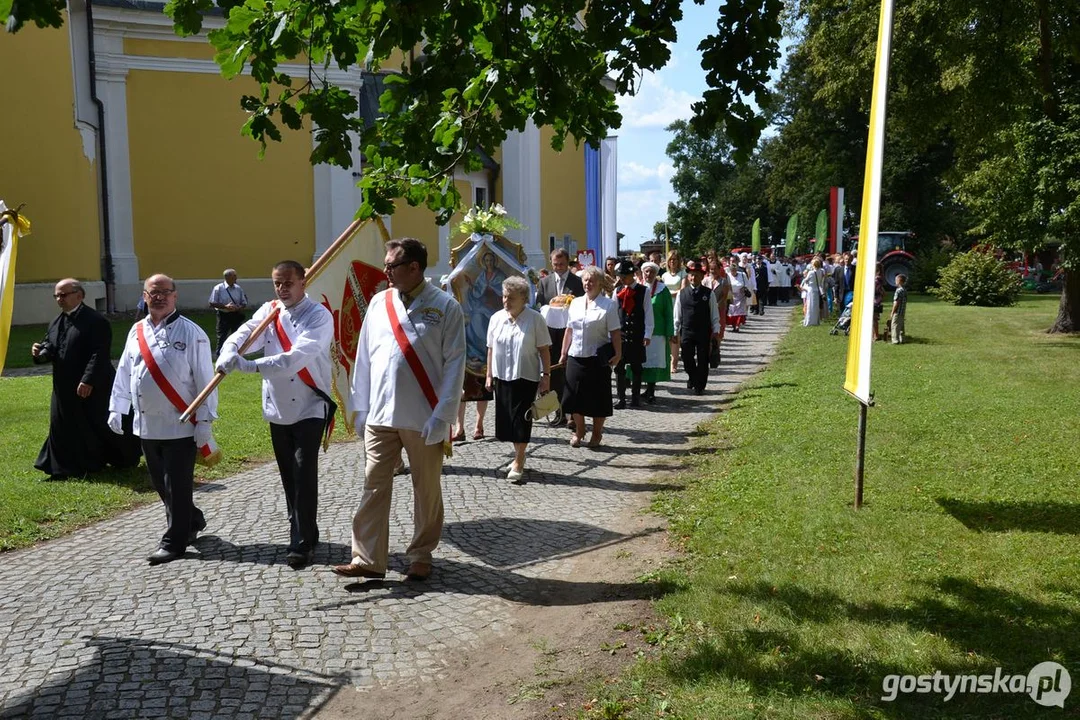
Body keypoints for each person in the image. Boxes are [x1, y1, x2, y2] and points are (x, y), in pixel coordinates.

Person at [334, 238, 466, 583]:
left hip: (424, 416)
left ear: (414, 267)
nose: (385, 271)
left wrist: (444, 415)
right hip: (380, 412)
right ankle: (367, 558)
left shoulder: (446, 307)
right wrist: (359, 406)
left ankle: (421, 554)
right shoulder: (379, 301)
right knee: (373, 485)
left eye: (391, 266)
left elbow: (455, 365)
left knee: (426, 489)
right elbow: (364, 356)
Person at [215, 260, 334, 569]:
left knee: (302, 472)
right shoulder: (270, 310)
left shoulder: (319, 316)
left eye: (288, 283)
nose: (282, 289)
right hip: (278, 407)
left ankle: (302, 542)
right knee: (288, 476)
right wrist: (229, 350)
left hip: (310, 403)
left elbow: (296, 358)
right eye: (277, 284)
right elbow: (245, 331)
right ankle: (306, 529)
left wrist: (250, 366)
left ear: (303, 283)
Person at [108, 274, 219, 564]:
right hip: (146, 424)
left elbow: (207, 381)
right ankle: (192, 520)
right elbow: (124, 371)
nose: (158, 297)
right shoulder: (136, 331)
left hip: (180, 424)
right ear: (144, 296)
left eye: (165, 292)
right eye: (152, 293)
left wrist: (205, 423)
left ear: (175, 296)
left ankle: (174, 541)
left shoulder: (192, 333)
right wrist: (116, 407)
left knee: (177, 484)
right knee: (160, 483)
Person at [32, 278, 139, 479]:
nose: (59, 299)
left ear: (79, 295)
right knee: (63, 424)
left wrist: (88, 380)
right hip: (64, 385)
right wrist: (39, 353)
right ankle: (63, 468)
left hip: (95, 384)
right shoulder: (57, 321)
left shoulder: (96, 321)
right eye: (56, 295)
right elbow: (52, 346)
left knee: (100, 423)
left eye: (63, 295)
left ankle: (124, 457)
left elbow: (100, 353)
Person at [485, 276, 552, 482]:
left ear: (524, 298)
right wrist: (488, 374)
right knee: (507, 422)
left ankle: (519, 460)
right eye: (504, 296)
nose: (506, 301)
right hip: (502, 376)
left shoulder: (535, 319)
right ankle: (517, 455)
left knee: (522, 420)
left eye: (511, 298)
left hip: (526, 376)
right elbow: (490, 348)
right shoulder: (496, 318)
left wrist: (546, 376)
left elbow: (544, 350)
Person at [559, 266, 621, 449]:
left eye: (592, 280)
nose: (588, 283)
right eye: (585, 280)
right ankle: (579, 430)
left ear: (600, 283)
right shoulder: (576, 303)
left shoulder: (608, 305)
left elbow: (615, 333)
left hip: (597, 358)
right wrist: (563, 353)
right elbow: (569, 330)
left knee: (597, 399)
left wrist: (618, 354)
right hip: (575, 355)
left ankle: (596, 432)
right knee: (572, 398)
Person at [674, 261, 721, 395]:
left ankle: (700, 385)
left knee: (703, 359)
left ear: (701, 277)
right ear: (688, 277)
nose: (693, 278)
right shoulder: (681, 294)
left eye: (696, 275)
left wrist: (716, 330)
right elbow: (677, 314)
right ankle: (693, 377)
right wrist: (675, 330)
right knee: (687, 357)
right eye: (691, 275)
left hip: (703, 331)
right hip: (687, 331)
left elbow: (714, 314)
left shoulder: (709, 293)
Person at [613, 259, 653, 409]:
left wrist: (648, 334)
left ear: (632, 275)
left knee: (636, 367)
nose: (622, 279)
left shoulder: (644, 291)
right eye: (620, 276)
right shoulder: (617, 291)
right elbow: (613, 314)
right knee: (619, 367)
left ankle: (635, 398)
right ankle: (621, 398)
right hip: (621, 335)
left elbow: (648, 314)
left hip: (637, 334)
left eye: (624, 276)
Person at [638, 262, 673, 403]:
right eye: (646, 272)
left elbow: (668, 312)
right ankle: (644, 389)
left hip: (658, 331)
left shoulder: (662, 290)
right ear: (642, 273)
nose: (649, 274)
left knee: (654, 360)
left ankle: (651, 390)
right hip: (641, 331)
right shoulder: (638, 288)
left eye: (651, 272)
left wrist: (670, 331)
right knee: (642, 361)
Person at [464, 251, 506, 368]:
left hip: (497, 306)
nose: (489, 263)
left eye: (491, 260)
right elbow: (477, 292)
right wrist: (472, 285)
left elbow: (505, 290)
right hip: (483, 305)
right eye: (487, 260)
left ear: (494, 261)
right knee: (474, 322)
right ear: (484, 262)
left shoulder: (500, 275)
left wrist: (492, 288)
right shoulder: (482, 275)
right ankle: (479, 353)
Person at [207, 268, 249, 356]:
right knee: (222, 335)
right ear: (227, 277)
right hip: (223, 315)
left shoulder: (238, 288)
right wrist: (226, 307)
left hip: (235, 315)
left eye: (235, 276)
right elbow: (212, 302)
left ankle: (236, 353)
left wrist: (238, 307)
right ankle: (220, 354)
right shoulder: (218, 288)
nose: (236, 278)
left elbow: (244, 302)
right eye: (234, 276)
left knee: (237, 334)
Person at [661, 250, 686, 373]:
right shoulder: (665, 276)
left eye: (675, 259)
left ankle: (674, 362)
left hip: (678, 305)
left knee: (675, 334)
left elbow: (682, 290)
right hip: (666, 306)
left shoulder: (683, 274)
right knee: (667, 334)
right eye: (670, 259)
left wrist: (668, 294)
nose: (672, 262)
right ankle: (668, 358)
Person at [726, 260, 750, 332]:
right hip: (731, 295)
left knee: (739, 312)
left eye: (735, 270)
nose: (733, 272)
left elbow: (747, 284)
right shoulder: (728, 275)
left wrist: (744, 288)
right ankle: (733, 325)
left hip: (741, 296)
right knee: (732, 311)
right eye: (732, 270)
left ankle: (737, 326)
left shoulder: (742, 274)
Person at [801, 257, 824, 326]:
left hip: (811, 289)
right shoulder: (821, 271)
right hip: (817, 289)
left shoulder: (811, 272)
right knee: (816, 306)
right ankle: (816, 321)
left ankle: (809, 321)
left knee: (810, 305)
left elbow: (806, 280)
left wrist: (803, 283)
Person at [888, 273, 908, 344]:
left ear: (899, 281)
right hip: (902, 311)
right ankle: (902, 339)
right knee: (901, 325)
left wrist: (892, 312)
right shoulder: (904, 290)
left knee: (895, 325)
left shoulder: (898, 291)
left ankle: (895, 340)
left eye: (896, 280)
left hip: (898, 311)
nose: (895, 281)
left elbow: (896, 302)